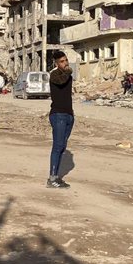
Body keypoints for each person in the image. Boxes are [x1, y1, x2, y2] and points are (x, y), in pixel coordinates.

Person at [47, 51, 74, 188]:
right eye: (62, 61)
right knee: (57, 146)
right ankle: (52, 178)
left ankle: (56, 176)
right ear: (57, 63)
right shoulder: (54, 75)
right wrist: (68, 72)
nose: (66, 63)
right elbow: (61, 81)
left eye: (66, 60)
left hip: (68, 114)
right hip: (58, 115)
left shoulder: (68, 75)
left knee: (62, 146)